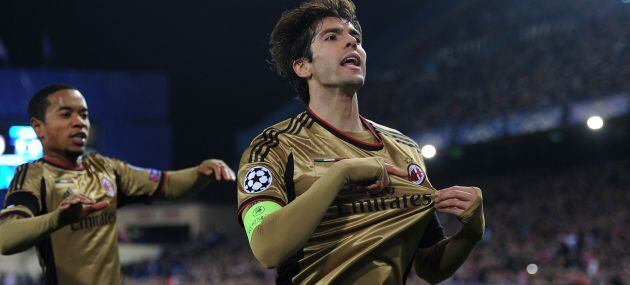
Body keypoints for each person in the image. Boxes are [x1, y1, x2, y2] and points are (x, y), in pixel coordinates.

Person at [236, 1, 485, 284]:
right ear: (303, 66)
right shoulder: (274, 147)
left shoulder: (406, 150)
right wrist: (343, 173)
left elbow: (431, 267)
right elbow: (268, 248)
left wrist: (470, 233)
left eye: (355, 37)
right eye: (332, 36)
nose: (351, 41)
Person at [0, 84, 236, 285]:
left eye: (83, 114)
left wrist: (200, 172)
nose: (79, 122)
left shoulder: (107, 168)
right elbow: (6, 238)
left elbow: (169, 184)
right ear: (38, 127)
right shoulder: (33, 175)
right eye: (66, 114)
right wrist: (58, 219)